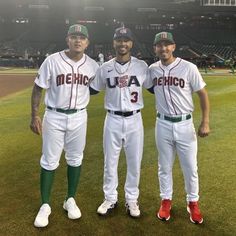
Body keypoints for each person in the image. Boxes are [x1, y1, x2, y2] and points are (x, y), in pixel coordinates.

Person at [30, 24, 99, 227]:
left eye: (82, 38)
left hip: (79, 116)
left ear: (87, 42)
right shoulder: (52, 61)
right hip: (54, 116)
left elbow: (94, 88)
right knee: (49, 161)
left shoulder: (93, 65)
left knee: (75, 159)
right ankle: (45, 205)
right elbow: (37, 89)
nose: (78, 40)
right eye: (74, 36)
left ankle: (70, 199)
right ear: (67, 40)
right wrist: (34, 115)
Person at [148, 32, 210, 224]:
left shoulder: (188, 67)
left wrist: (205, 121)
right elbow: (150, 88)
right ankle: (166, 200)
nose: (163, 48)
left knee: (190, 167)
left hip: (185, 124)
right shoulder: (152, 70)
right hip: (163, 124)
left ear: (173, 47)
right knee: (164, 166)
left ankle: (193, 202)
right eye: (159, 45)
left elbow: (202, 94)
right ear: (155, 49)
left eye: (167, 44)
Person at [90, 27, 152, 218]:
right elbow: (91, 89)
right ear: (114, 43)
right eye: (119, 40)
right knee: (110, 161)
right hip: (113, 119)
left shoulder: (142, 66)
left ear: (131, 43)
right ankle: (110, 198)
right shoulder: (105, 67)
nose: (122, 43)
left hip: (135, 119)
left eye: (126, 40)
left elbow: (155, 88)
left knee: (134, 162)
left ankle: (132, 199)